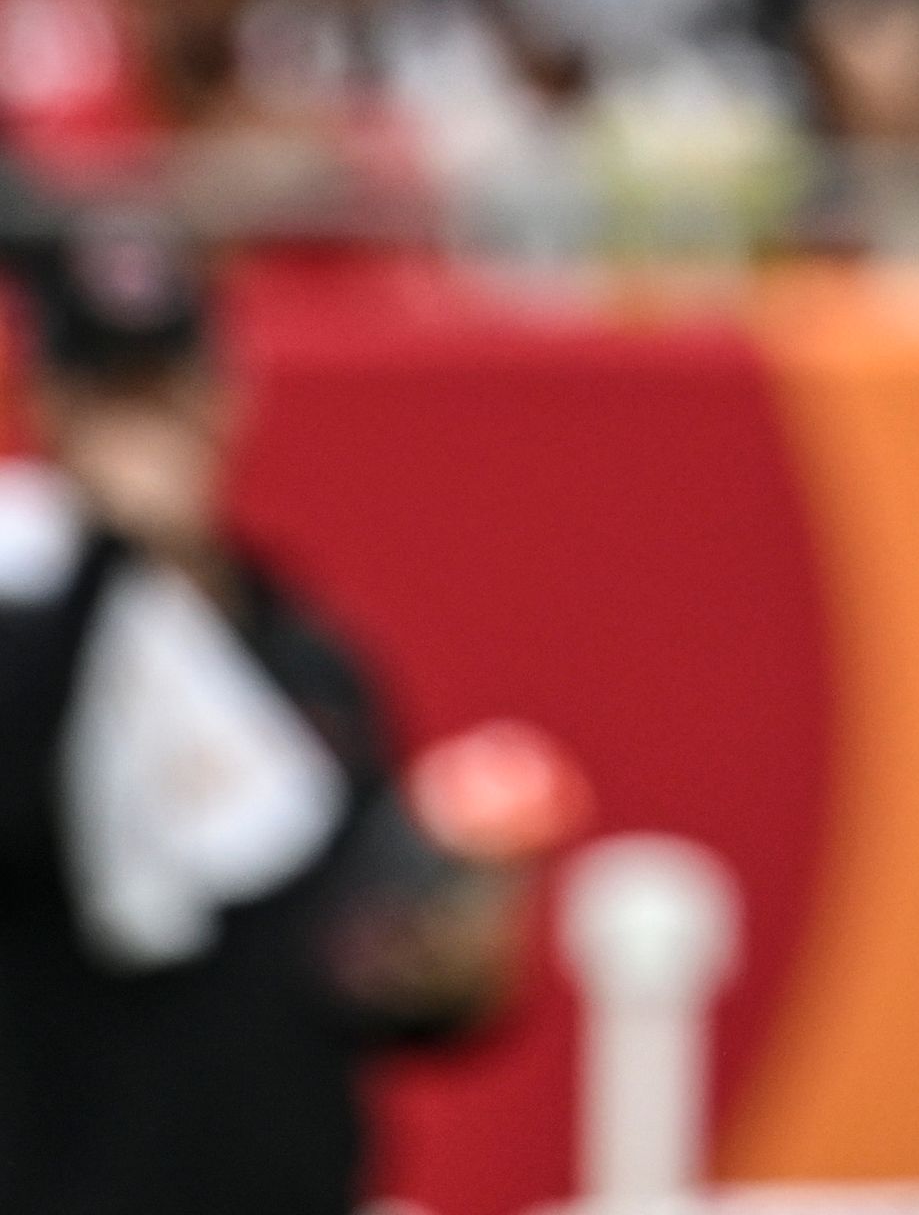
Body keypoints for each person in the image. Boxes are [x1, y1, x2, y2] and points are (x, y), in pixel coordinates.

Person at [0, 218, 538, 1213]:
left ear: (227, 397)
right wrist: (105, 567)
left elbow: (346, 958)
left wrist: (451, 961)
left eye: (167, 391)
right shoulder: (23, 617)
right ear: (49, 409)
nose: (145, 435)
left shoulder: (305, 655)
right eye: (111, 398)